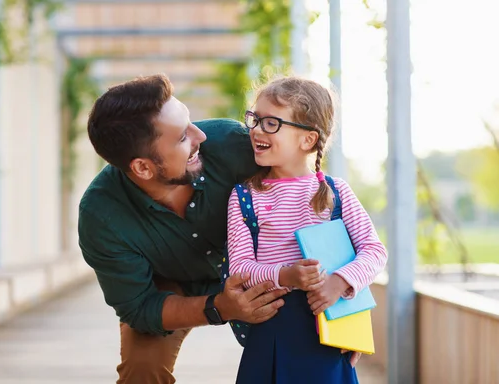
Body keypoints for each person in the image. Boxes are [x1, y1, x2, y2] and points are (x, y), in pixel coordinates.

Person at [78, 74, 291, 384]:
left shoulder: (232, 145)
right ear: (143, 167)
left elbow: (314, 204)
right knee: (142, 368)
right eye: (181, 138)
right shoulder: (101, 216)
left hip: (261, 269)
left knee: (307, 352)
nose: (199, 136)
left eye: (191, 122)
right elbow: (139, 307)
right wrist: (219, 307)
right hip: (168, 285)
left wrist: (346, 317)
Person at [226, 76, 388, 384]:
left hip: (328, 332)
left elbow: (375, 251)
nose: (257, 129)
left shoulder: (336, 192)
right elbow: (241, 268)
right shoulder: (245, 197)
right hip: (271, 332)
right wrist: (286, 276)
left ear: (308, 140)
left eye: (271, 123)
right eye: (255, 120)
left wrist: (339, 284)